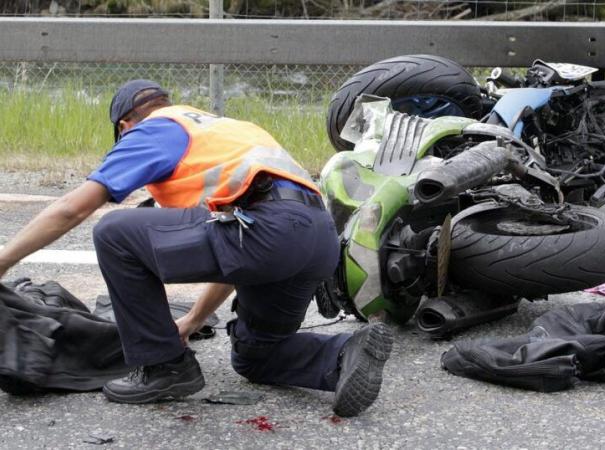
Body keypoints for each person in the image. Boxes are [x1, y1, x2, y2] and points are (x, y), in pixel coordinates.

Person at [0, 79, 393, 417]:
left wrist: (3, 261)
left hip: (268, 233)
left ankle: (163, 367)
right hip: (315, 239)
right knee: (257, 354)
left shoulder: (155, 129)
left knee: (115, 231)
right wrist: (190, 322)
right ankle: (343, 354)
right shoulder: (225, 132)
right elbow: (231, 250)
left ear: (125, 126)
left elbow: (72, 208)